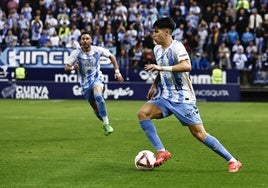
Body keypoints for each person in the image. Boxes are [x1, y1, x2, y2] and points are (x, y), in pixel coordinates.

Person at [137, 17, 242, 172]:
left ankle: (232, 160)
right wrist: (154, 84)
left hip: (183, 99)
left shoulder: (177, 47)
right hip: (165, 96)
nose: (153, 35)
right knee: (142, 114)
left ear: (167, 32)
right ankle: (162, 151)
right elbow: (162, 68)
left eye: (156, 31)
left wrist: (160, 69)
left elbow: (187, 66)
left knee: (200, 134)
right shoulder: (157, 49)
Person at [65, 31, 124, 136]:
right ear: (80, 41)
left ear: (91, 40)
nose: (85, 40)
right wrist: (74, 67)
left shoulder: (97, 50)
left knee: (98, 96)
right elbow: (67, 67)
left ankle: (106, 124)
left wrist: (117, 72)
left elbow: (112, 57)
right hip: (85, 84)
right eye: (83, 39)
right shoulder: (76, 53)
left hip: (97, 79)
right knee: (95, 108)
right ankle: (105, 123)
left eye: (87, 38)